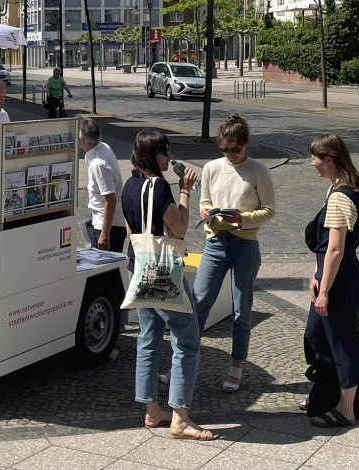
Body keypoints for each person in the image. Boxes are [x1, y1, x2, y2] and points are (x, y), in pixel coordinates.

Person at [122, 129, 216, 441]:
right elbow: (180, 229)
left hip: (138, 266)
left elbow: (131, 229)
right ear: (154, 155)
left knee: (148, 338)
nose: (169, 157)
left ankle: (152, 411)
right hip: (161, 271)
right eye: (166, 151)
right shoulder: (159, 186)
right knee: (187, 339)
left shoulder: (129, 185)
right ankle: (180, 418)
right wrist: (184, 191)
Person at [192, 113, 276, 393]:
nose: (230, 154)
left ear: (245, 144)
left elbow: (269, 210)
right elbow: (204, 201)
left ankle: (236, 365)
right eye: (224, 149)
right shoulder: (211, 168)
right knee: (198, 305)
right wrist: (206, 211)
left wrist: (241, 219)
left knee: (242, 309)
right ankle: (184, 362)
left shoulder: (259, 171)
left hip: (244, 246)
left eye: (235, 150)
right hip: (215, 243)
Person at [303, 133, 359, 428]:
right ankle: (326, 393)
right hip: (332, 274)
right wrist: (316, 274)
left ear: (329, 160)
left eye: (315, 157)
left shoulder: (341, 196)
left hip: (340, 278)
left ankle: (347, 408)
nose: (312, 163)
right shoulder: (337, 190)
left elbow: (335, 249)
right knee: (316, 337)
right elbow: (326, 250)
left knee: (343, 341)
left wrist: (324, 290)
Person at [78, 117, 126, 253]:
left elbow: (111, 200)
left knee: (102, 264)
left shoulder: (98, 165)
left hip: (109, 227)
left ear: (82, 141)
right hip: (104, 221)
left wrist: (104, 233)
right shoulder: (102, 146)